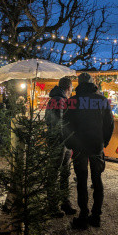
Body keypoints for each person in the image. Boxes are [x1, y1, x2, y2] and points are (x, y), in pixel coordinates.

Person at [64, 73, 114, 229]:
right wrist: (103, 142)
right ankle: (96, 216)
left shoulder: (73, 100)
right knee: (97, 180)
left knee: (82, 181)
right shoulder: (102, 100)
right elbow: (109, 125)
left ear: (78, 83)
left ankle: (83, 215)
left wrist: (71, 143)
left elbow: (66, 125)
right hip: (96, 145)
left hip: (79, 146)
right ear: (93, 83)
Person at [44, 77, 77, 217]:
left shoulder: (54, 99)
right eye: (71, 89)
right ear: (68, 88)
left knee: (63, 172)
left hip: (61, 141)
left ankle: (63, 202)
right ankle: (53, 206)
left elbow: (48, 120)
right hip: (61, 141)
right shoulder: (60, 101)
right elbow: (63, 123)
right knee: (56, 173)